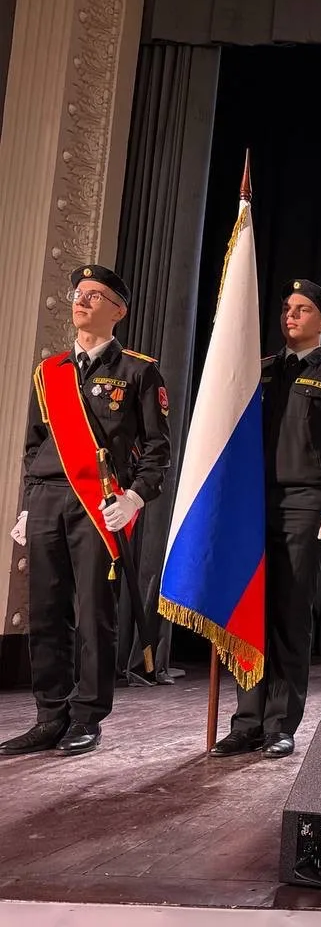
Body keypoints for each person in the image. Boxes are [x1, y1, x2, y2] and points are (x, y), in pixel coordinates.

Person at [2, 264, 171, 756]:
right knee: (46, 611)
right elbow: (35, 446)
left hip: (100, 504)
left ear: (118, 311)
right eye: (79, 293)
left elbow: (157, 449)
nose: (80, 300)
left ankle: (86, 717)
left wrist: (134, 497)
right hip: (48, 500)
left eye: (94, 295)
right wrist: (29, 505)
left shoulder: (139, 371)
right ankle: (49, 716)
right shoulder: (48, 372)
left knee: (95, 613)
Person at [211, 278, 321, 759]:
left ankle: (279, 723)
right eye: (286, 308)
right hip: (251, 505)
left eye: (302, 309)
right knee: (248, 610)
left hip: (306, 502)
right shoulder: (256, 372)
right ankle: (246, 722)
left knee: (290, 614)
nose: (290, 316)